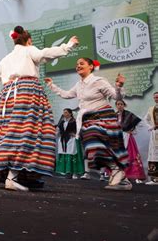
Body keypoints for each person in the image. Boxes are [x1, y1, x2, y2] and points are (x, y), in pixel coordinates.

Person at [0, 26, 78, 191]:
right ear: (29, 41)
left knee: (7, 133)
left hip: (7, 97)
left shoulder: (6, 58)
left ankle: (3, 171)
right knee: (29, 132)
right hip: (26, 91)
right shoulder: (28, 50)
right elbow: (45, 53)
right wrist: (68, 45)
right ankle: (13, 175)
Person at [46, 58, 131, 190]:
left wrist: (119, 86)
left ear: (91, 66)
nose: (78, 66)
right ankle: (123, 180)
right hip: (88, 120)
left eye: (81, 63)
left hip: (103, 116)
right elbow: (67, 94)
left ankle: (117, 170)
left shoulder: (98, 81)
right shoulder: (79, 85)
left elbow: (116, 97)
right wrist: (52, 85)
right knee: (94, 149)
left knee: (98, 144)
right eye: (76, 64)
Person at [115, 100, 146, 182]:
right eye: (118, 104)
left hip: (128, 137)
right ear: (116, 106)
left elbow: (140, 123)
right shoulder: (114, 115)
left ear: (124, 105)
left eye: (121, 104)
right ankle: (120, 175)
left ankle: (132, 175)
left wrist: (133, 130)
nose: (119, 106)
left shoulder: (129, 114)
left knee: (130, 156)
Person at [55, 108, 84, 179]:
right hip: (63, 140)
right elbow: (58, 130)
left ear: (70, 113)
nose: (64, 114)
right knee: (65, 154)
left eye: (66, 112)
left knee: (73, 155)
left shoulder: (74, 121)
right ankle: (66, 171)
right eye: (64, 112)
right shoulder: (61, 122)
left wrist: (76, 135)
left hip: (72, 140)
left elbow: (78, 129)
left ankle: (75, 173)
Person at [144, 92, 158, 185]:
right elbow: (146, 119)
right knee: (154, 153)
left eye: (157, 97)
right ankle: (155, 179)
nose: (156, 98)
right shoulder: (151, 109)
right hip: (155, 133)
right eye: (155, 97)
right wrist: (151, 126)